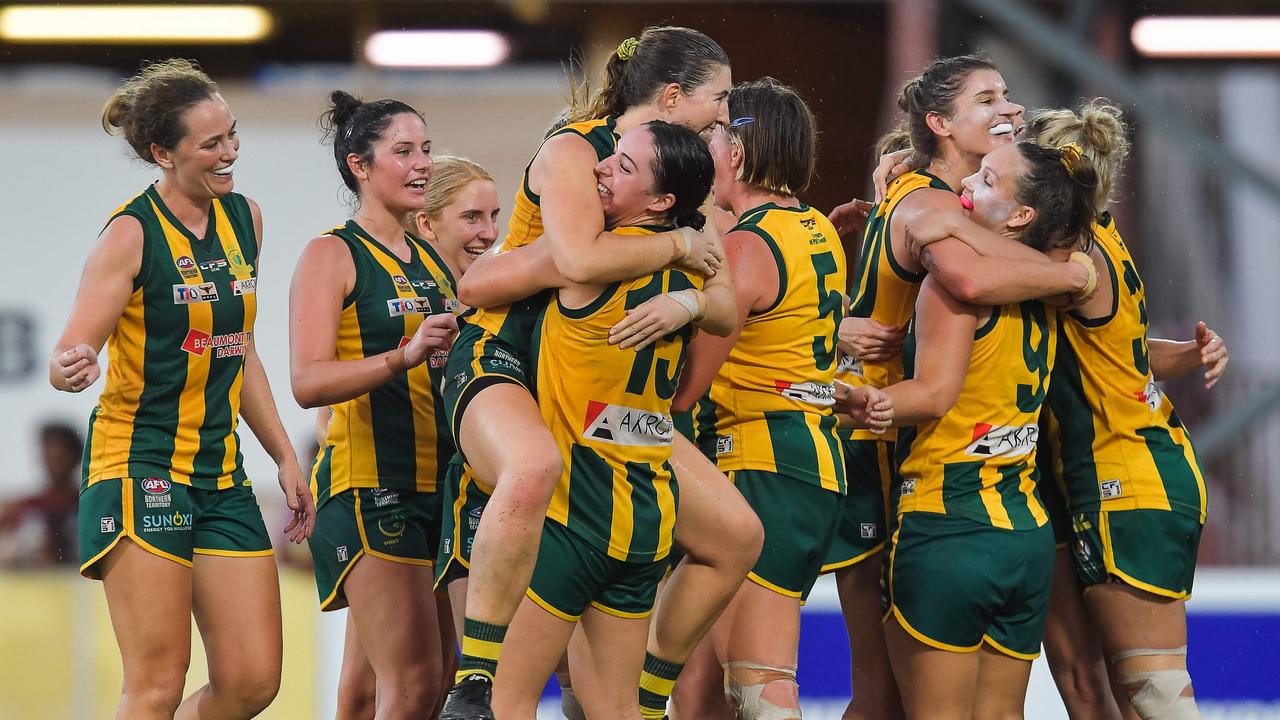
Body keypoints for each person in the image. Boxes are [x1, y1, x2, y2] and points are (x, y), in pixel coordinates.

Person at [439, 26, 766, 720]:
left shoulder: (679, 190)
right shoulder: (581, 155)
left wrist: (687, 297)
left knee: (734, 534)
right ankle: (474, 682)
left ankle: (646, 696)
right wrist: (679, 246)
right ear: (672, 96)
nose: (725, 114)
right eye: (719, 98)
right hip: (508, 356)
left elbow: (724, 306)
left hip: (605, 417)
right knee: (535, 471)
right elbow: (565, 264)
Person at [912, 100, 1227, 720]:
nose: (983, 174)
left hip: (1128, 478)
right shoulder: (1084, 243)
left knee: (1155, 693)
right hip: (1084, 479)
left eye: (1000, 170)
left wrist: (926, 218)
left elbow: (970, 280)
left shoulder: (1073, 262)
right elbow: (1120, 356)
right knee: (1090, 685)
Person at [820, 55, 1099, 720]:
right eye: (987, 99)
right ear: (941, 123)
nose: (1008, 110)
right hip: (887, 466)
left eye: (1008, 94)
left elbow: (970, 287)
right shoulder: (935, 205)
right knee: (883, 691)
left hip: (931, 474)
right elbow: (968, 283)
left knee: (894, 696)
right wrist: (1074, 276)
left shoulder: (958, 213)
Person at [49, 58, 314, 719]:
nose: (230, 153)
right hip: (140, 469)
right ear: (162, 153)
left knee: (253, 681)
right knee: (158, 685)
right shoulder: (131, 233)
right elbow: (69, 352)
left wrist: (284, 456)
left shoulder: (244, 220)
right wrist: (70, 366)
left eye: (233, 135)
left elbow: (239, 348)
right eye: (211, 143)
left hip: (221, 474)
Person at [670, 77, 887, 720]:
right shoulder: (816, 227)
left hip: (763, 467)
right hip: (807, 462)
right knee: (702, 688)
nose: (703, 144)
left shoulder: (746, 246)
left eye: (712, 133)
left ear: (736, 151)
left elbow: (687, 391)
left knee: (760, 688)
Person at [289, 91, 460, 719]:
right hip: (370, 485)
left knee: (377, 694)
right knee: (416, 684)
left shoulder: (432, 261)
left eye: (426, 150)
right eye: (404, 152)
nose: (422, 165)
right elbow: (307, 382)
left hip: (437, 487)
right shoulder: (331, 254)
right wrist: (401, 358)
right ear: (360, 166)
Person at [0, 423, 83, 566]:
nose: (54, 463)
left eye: (60, 457)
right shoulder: (25, 508)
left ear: (76, 457)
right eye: (49, 456)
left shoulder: (87, 505)